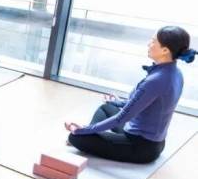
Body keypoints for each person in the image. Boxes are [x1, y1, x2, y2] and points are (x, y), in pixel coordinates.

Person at [66, 26, 195, 164]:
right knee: (106, 107)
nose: (149, 44)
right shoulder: (176, 73)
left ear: (165, 50)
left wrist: (82, 130)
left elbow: (121, 118)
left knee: (75, 137)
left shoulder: (156, 80)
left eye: (153, 41)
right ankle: (94, 136)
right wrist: (117, 102)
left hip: (141, 147)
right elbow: (145, 103)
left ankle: (90, 136)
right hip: (154, 141)